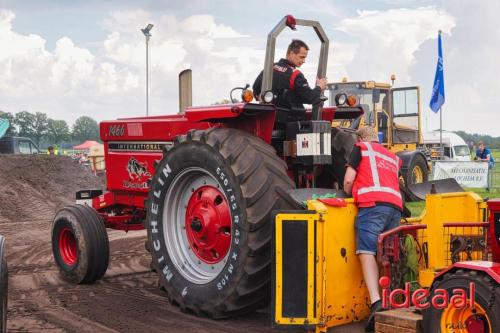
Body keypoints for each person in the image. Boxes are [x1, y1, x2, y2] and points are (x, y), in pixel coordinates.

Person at [343, 126, 403, 332]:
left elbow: (349, 180)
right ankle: (393, 297)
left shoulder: (360, 148)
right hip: (395, 207)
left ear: (360, 138)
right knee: (386, 254)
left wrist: (347, 193)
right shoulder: (392, 156)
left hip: (373, 205)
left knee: (366, 251)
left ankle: (376, 302)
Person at [252, 39, 328, 109]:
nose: (304, 61)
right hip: (291, 119)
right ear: (291, 53)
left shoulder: (270, 68)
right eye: (301, 57)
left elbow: (256, 89)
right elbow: (310, 98)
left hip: (269, 116)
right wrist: (319, 87)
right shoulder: (295, 75)